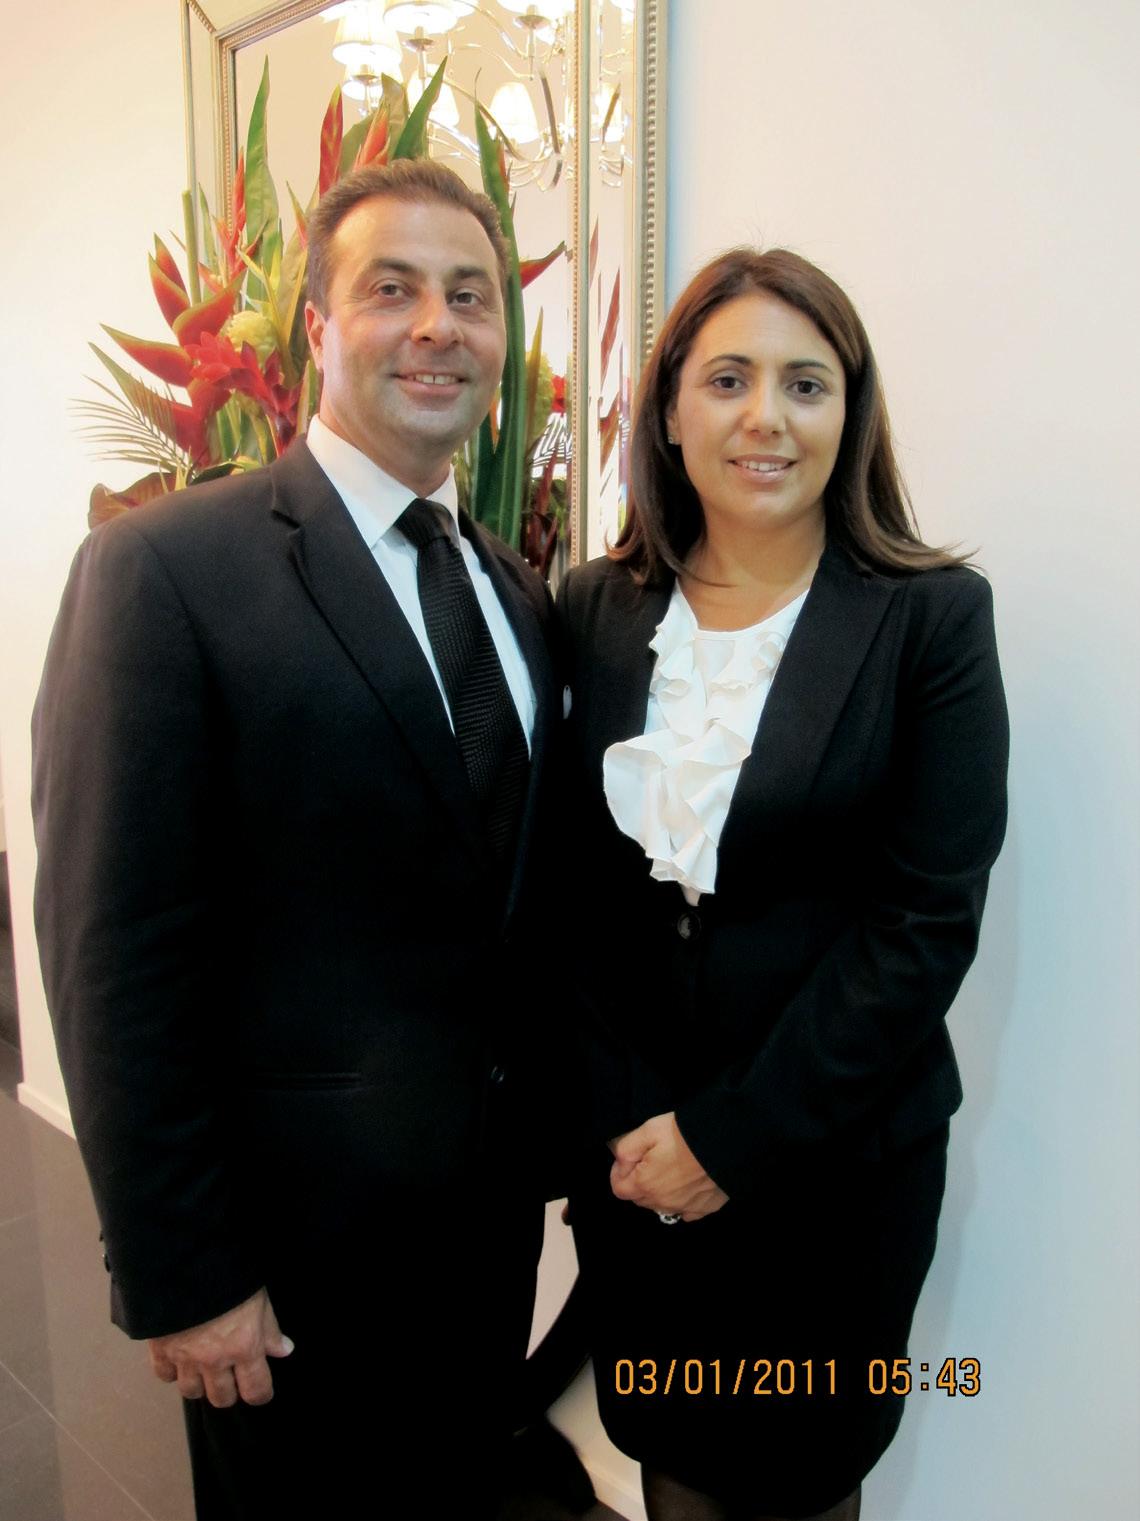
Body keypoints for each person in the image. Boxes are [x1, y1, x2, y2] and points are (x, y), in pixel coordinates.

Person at [32, 160, 561, 1520]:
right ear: (317, 329)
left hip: (483, 1240)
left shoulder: (512, 588)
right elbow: (112, 950)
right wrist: (185, 1271)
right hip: (284, 1269)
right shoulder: (166, 571)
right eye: (392, 289)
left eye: (471, 295)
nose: (438, 325)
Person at [557, 248, 1009, 1521]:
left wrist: (731, 1139)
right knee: (670, 1455)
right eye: (729, 380)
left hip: (832, 1166)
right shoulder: (595, 607)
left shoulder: (929, 620)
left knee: (800, 1478)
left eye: (806, 384)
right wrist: (636, 1127)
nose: (767, 416)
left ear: (850, 415)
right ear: (670, 411)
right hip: (637, 1157)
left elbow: (924, 925)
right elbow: (572, 900)